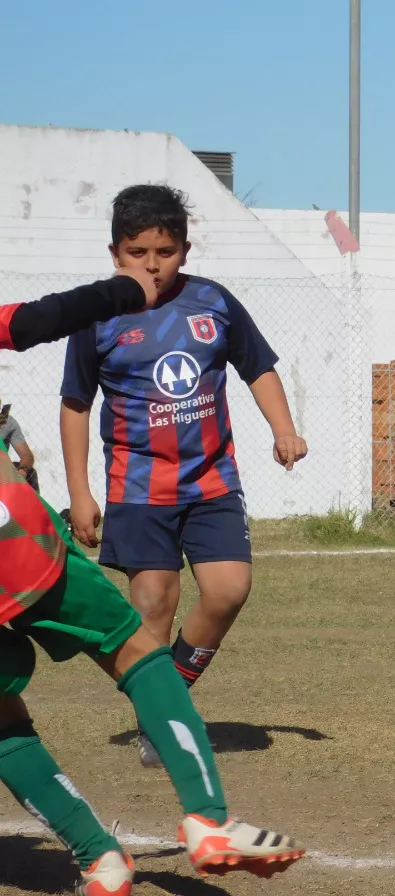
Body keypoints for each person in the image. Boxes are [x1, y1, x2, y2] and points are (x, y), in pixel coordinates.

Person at [1, 269, 304, 896]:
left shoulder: (215, 306)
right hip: (20, 550)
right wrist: (123, 293)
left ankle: (101, 862)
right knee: (140, 653)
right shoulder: (125, 301)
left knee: (3, 728)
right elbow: (35, 321)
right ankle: (208, 820)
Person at [59, 185, 308, 768]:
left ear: (185, 250)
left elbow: (259, 368)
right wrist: (79, 494)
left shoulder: (213, 303)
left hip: (211, 481)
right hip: (138, 488)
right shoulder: (96, 315)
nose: (151, 264)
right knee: (153, 603)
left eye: (164, 251)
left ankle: (168, 699)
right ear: (115, 252)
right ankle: (160, 722)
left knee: (228, 591)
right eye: (137, 251)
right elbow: (76, 403)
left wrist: (284, 429)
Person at [0, 404, 38, 492]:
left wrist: (22, 470)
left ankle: (31, 505)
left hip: (2, 472)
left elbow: (27, 456)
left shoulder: (8, 422)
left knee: (31, 473)